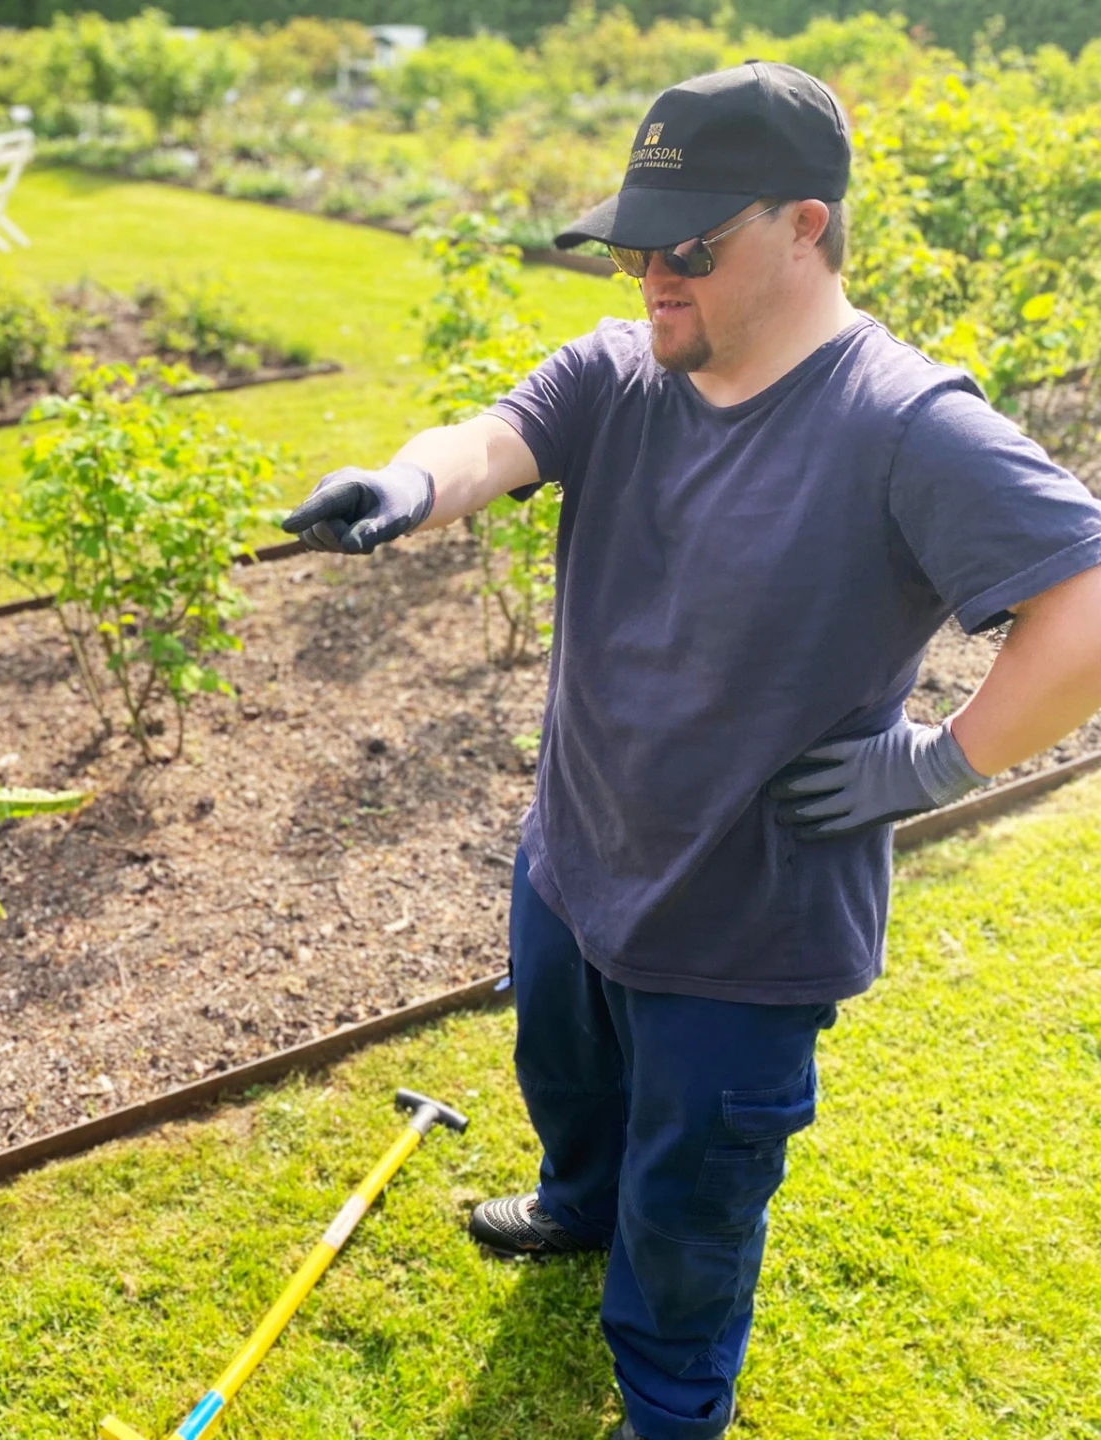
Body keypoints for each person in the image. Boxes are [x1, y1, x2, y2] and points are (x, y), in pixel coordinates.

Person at [282, 62, 1101, 1440]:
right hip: (576, 859)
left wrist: (939, 765)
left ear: (805, 226)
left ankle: (669, 1404)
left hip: (746, 923)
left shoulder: (904, 423)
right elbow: (494, 437)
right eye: (634, 247)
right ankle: (577, 1201)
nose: (654, 277)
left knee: (696, 1197)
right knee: (570, 1078)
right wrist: (410, 483)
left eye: (689, 249)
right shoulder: (620, 372)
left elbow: (1084, 603)